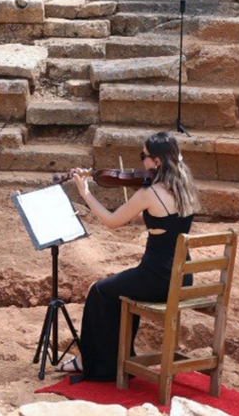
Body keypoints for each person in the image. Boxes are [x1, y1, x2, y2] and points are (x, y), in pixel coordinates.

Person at [60, 131, 198, 382]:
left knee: (98, 290)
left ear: (157, 161)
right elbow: (162, 220)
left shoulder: (149, 194)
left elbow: (112, 222)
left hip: (157, 277)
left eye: (143, 156)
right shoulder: (185, 186)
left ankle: (90, 362)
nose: (141, 162)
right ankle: (121, 357)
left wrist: (85, 193)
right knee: (119, 292)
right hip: (183, 278)